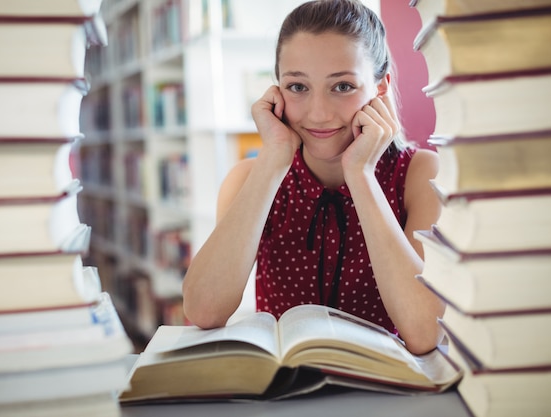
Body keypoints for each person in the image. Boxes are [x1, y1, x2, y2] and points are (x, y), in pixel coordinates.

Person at [182, 0, 444, 354]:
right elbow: (203, 309)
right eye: (298, 87)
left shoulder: (420, 174)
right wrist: (273, 159)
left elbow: (424, 332)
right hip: (286, 397)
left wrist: (361, 174)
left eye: (343, 87)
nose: (319, 114)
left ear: (381, 87)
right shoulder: (249, 178)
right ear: (276, 91)